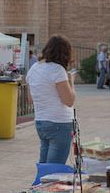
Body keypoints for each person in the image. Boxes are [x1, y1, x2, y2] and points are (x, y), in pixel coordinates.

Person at [26, 35, 76, 164]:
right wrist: (71, 82)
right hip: (59, 122)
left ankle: (38, 184)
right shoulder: (58, 70)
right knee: (54, 170)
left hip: (41, 121)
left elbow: (30, 99)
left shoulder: (34, 68)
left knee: (44, 166)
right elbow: (69, 101)